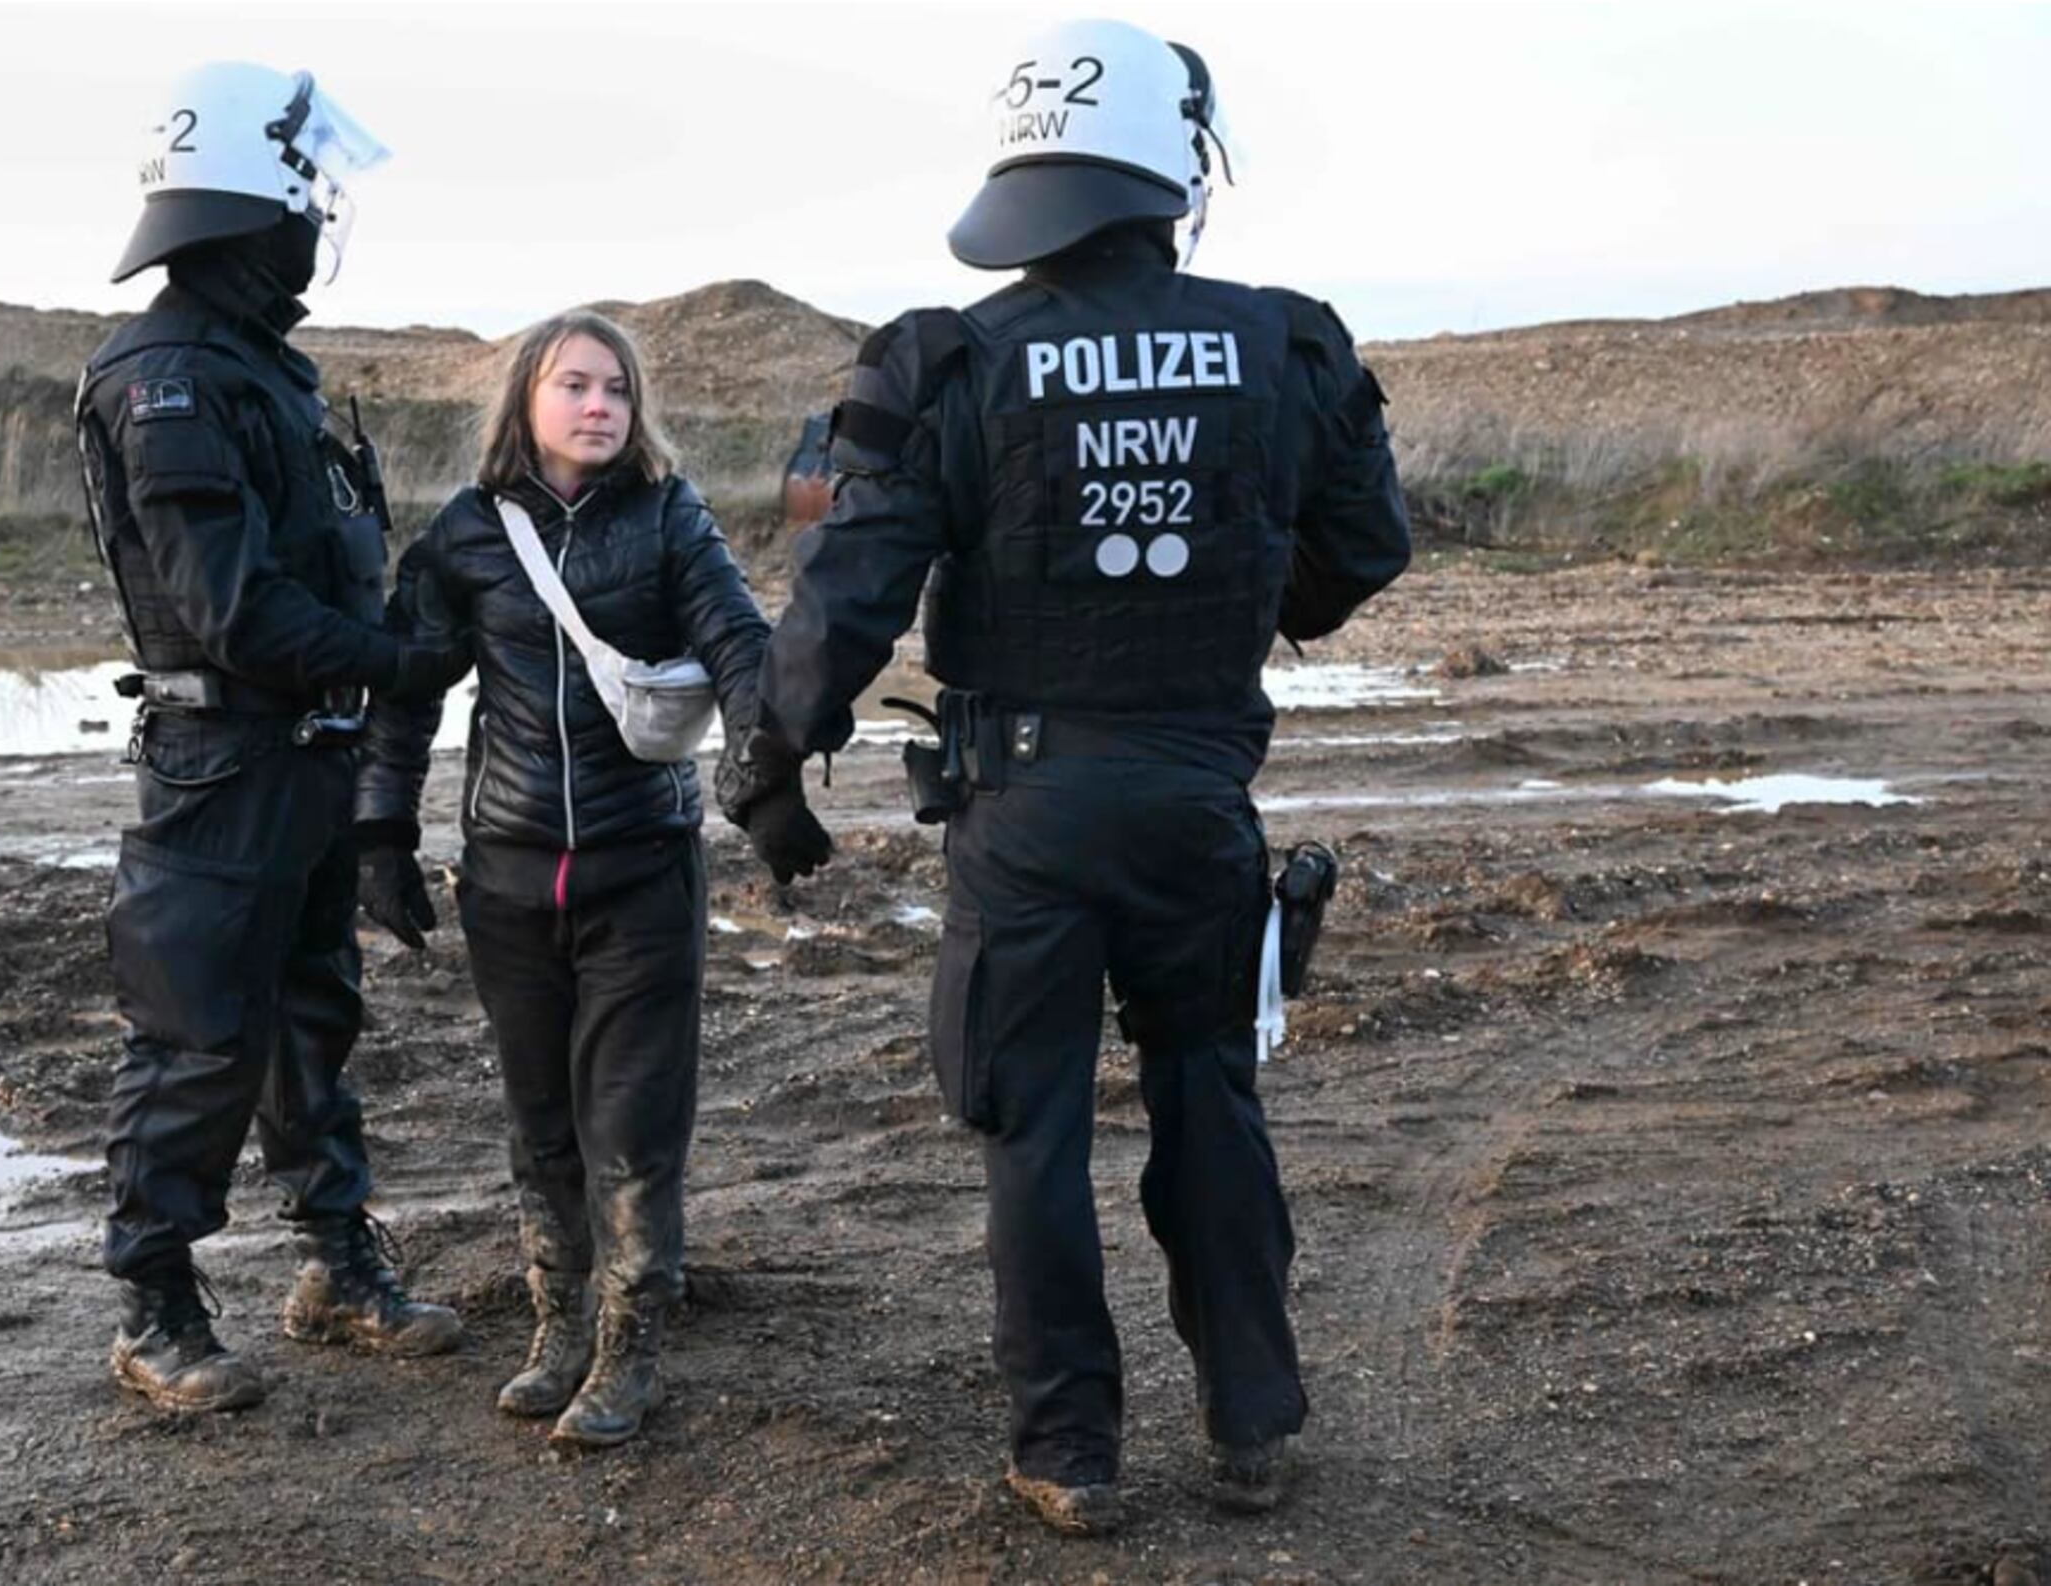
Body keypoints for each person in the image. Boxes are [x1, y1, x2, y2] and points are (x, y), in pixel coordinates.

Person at [720, 20, 1412, 1534]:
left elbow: (849, 598)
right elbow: (1364, 548)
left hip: (1024, 811)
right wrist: (1244, 604)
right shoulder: (1290, 340)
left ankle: (1072, 1452)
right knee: (1208, 1095)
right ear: (1175, 167)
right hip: (1195, 793)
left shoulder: (944, 358)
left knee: (1031, 1131)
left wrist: (769, 760)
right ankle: (1251, 1420)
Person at [75, 61, 471, 1414]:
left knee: (313, 1019)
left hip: (303, 753)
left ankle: (335, 1265)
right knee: (194, 1034)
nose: (323, 220)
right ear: (261, 207)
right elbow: (231, 606)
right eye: (310, 197)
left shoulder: (258, 365)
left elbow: (319, 559)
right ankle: (156, 1303)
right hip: (225, 759)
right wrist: (403, 660)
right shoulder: (169, 375)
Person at [354, 310, 814, 1447]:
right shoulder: (466, 535)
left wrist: (766, 782)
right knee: (538, 1116)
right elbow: (408, 690)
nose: (599, 405)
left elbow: (738, 644)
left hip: (640, 872)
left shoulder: (669, 517)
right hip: (507, 876)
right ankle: (557, 1326)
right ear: (524, 401)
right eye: (574, 385)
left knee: (632, 1119)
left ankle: (629, 1343)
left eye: (616, 387)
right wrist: (378, 831)